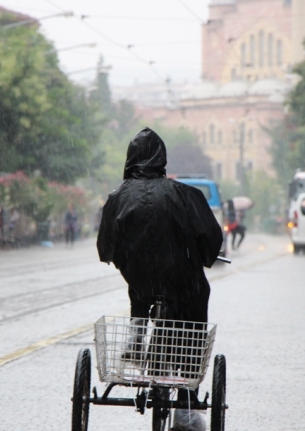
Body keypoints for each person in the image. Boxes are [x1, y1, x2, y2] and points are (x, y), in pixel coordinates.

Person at [97, 127, 223, 429]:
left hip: (140, 282)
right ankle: (186, 400)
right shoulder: (185, 194)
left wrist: (126, 259)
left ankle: (137, 331)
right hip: (182, 282)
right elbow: (210, 237)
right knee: (195, 303)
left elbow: (105, 249)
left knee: (139, 287)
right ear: (161, 159)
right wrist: (203, 257)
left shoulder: (117, 197)